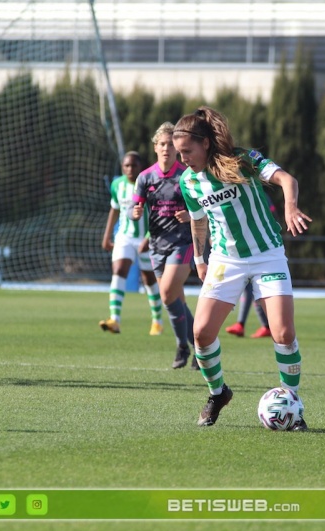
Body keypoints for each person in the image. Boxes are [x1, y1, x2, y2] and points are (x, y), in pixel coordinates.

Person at [173, 106, 312, 429]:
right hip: (225, 260)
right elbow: (198, 223)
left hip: (267, 255)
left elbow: (286, 179)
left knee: (283, 332)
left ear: (205, 143)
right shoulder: (189, 182)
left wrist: (291, 208)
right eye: (179, 153)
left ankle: (292, 404)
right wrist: (199, 259)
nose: (183, 159)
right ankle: (218, 393)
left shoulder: (243, 159)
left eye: (187, 151)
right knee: (202, 333)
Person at [130, 122, 198, 370]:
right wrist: (135, 212)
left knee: (167, 293)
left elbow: (204, 208)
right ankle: (197, 348)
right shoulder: (145, 177)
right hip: (157, 245)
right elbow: (134, 208)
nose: (166, 148)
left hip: (183, 242)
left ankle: (186, 347)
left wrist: (191, 217)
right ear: (155, 147)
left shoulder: (186, 176)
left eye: (171, 144)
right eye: (162, 144)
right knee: (176, 300)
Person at [99, 151, 163, 335]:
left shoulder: (149, 184)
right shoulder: (117, 185)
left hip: (147, 237)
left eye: (133, 165)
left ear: (140, 167)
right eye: (126, 165)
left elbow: (158, 214)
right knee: (118, 271)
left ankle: (157, 321)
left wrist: (149, 237)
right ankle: (115, 319)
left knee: (149, 279)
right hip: (124, 236)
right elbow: (114, 210)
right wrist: (107, 236)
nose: (129, 169)